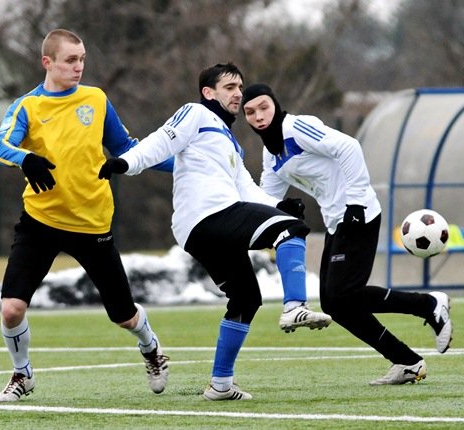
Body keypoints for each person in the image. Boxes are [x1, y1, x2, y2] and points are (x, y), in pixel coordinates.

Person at [99, 63, 331, 401]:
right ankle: (294, 305)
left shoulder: (229, 142)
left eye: (240, 86)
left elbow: (245, 188)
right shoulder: (195, 113)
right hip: (207, 216)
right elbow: (161, 141)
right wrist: (126, 164)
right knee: (292, 231)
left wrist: (277, 208)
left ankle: (220, 384)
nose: (238, 93)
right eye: (230, 87)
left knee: (246, 298)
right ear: (209, 92)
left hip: (214, 222)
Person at [0, 28, 171, 402]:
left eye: (82, 59)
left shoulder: (97, 100)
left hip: (92, 223)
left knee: (124, 316)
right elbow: (0, 145)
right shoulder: (27, 106)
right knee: (11, 309)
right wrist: (27, 158)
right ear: (48, 63)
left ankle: (151, 348)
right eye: (71, 60)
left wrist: (182, 164)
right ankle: (22, 374)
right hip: (40, 223)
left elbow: (126, 147)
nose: (79, 67)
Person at [241, 83, 453, 385]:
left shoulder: (297, 127)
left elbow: (349, 147)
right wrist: (279, 206)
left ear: (275, 104)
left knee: (344, 295)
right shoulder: (271, 153)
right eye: (250, 112)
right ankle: (406, 361)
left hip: (359, 214)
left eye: (264, 107)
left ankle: (429, 305)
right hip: (335, 221)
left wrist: (354, 202)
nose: (259, 115)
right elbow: (266, 194)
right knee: (335, 304)